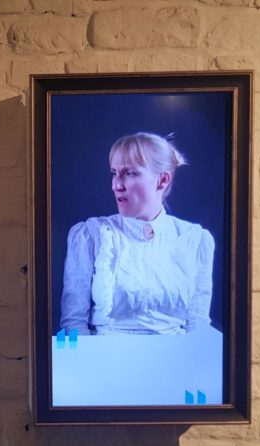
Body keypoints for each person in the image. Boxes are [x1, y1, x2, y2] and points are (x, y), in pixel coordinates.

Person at [59, 132, 215, 336]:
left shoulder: (194, 239)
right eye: (114, 173)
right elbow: (73, 324)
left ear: (162, 180)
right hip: (105, 362)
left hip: (177, 362)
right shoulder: (92, 235)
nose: (116, 185)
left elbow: (198, 326)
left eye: (129, 173)